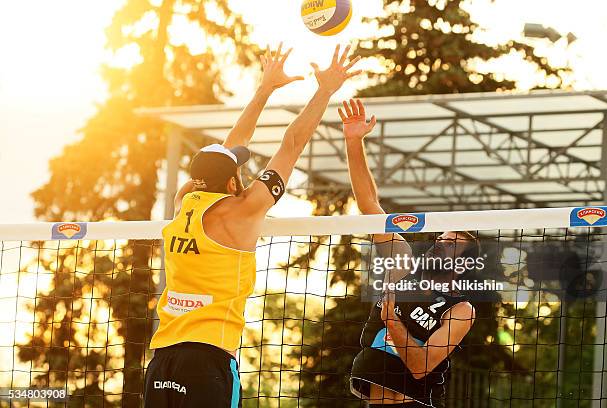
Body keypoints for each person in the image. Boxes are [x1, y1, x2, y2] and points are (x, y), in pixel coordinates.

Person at [143, 44, 362, 408]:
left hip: (163, 362)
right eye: (238, 171)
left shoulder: (183, 202)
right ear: (231, 181)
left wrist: (265, 89)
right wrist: (325, 90)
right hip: (208, 360)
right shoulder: (242, 209)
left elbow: (228, 151)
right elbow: (291, 144)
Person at [338, 99, 477, 407]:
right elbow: (370, 206)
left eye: (451, 244)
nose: (440, 243)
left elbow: (420, 366)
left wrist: (392, 322)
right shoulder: (403, 266)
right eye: (440, 238)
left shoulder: (461, 309)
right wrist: (353, 141)